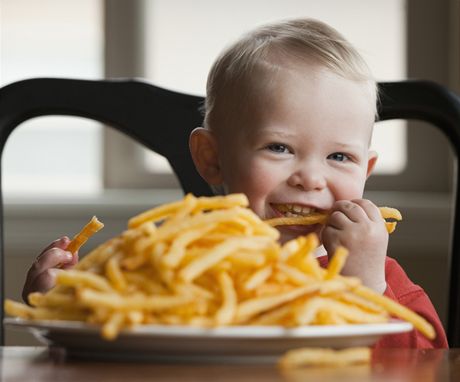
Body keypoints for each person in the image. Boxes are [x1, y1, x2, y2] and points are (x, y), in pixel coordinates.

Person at [23, 18, 447, 348]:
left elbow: (427, 366)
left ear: (366, 173)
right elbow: (113, 349)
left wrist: (367, 291)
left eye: (340, 157)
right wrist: (61, 306)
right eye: (279, 148)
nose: (311, 178)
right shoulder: (175, 265)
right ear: (211, 158)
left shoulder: (379, 278)